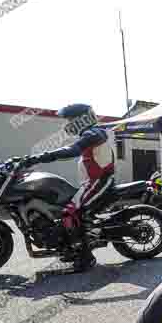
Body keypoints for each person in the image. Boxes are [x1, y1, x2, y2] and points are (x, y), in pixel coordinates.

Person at [20, 103, 114, 271]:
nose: (67, 124)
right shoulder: (88, 134)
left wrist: (38, 158)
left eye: (70, 120)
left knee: (71, 212)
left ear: (82, 119)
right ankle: (70, 248)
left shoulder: (95, 133)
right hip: (90, 183)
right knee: (64, 208)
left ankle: (85, 257)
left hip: (100, 181)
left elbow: (72, 150)